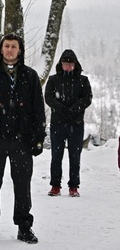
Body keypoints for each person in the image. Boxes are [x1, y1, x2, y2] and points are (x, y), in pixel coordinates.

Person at [0, 33, 46, 244]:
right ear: (1, 49)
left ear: (20, 50)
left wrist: (38, 136)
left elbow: (38, 108)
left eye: (14, 46)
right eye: (7, 46)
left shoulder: (30, 76)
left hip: (22, 138)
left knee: (22, 183)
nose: (10, 50)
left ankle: (24, 226)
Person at [45, 49, 92, 197]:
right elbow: (48, 98)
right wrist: (61, 108)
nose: (68, 67)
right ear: (61, 64)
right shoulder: (53, 80)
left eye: (71, 64)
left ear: (75, 64)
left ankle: (74, 186)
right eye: (65, 64)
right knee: (56, 156)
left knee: (75, 156)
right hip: (57, 123)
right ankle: (55, 185)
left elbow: (87, 98)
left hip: (76, 124)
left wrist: (73, 109)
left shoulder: (83, 81)